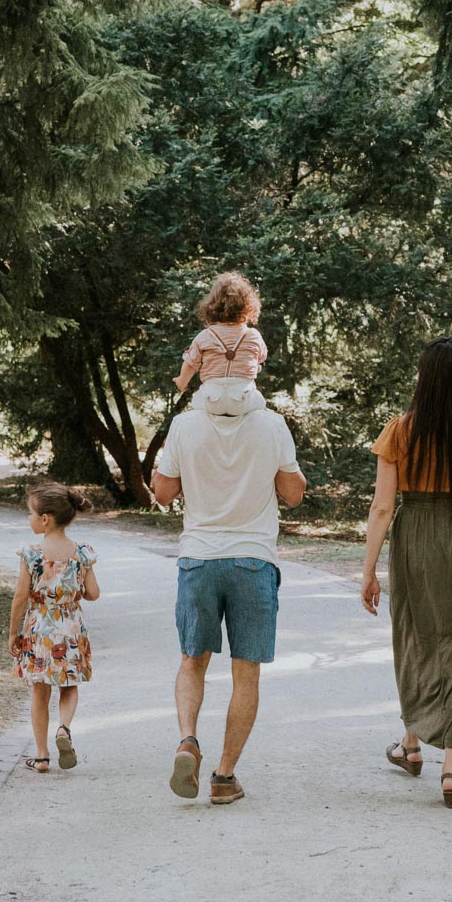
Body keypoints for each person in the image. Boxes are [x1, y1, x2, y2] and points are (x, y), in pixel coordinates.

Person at [153, 270, 305, 805]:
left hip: (198, 557)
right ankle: (223, 776)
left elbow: (163, 492)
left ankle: (188, 740)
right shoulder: (272, 425)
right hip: (253, 561)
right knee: (246, 674)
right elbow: (292, 494)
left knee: (193, 661)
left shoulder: (183, 426)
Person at [360, 337, 452, 808]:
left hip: (416, 536)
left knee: (416, 639)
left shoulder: (400, 431)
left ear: (423, 379)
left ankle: (411, 746)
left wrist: (368, 571)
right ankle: (451, 771)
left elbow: (383, 508)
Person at [9, 480, 100, 773]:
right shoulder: (82, 553)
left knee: (39, 690)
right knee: (69, 685)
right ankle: (63, 728)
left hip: (40, 627)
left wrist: (14, 632)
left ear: (45, 519)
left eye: (31, 513)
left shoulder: (32, 554)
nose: (29, 518)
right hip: (71, 626)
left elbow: (21, 596)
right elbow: (94, 593)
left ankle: (42, 755)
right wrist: (76, 590)